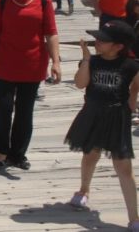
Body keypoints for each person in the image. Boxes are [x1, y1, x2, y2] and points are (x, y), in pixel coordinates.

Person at [0, 0, 61, 169]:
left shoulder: (44, 1)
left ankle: (17, 154)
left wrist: (56, 62)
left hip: (33, 65)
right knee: (3, 108)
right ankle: (1, 150)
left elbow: (51, 33)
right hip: (5, 63)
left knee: (25, 112)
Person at [65, 22, 139, 231]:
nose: (97, 41)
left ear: (118, 46)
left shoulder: (130, 66)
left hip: (117, 116)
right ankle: (83, 190)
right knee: (90, 155)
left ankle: (134, 217)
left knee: (124, 167)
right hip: (93, 113)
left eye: (103, 40)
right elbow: (80, 84)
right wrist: (86, 61)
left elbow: (135, 86)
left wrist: (132, 101)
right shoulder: (93, 61)